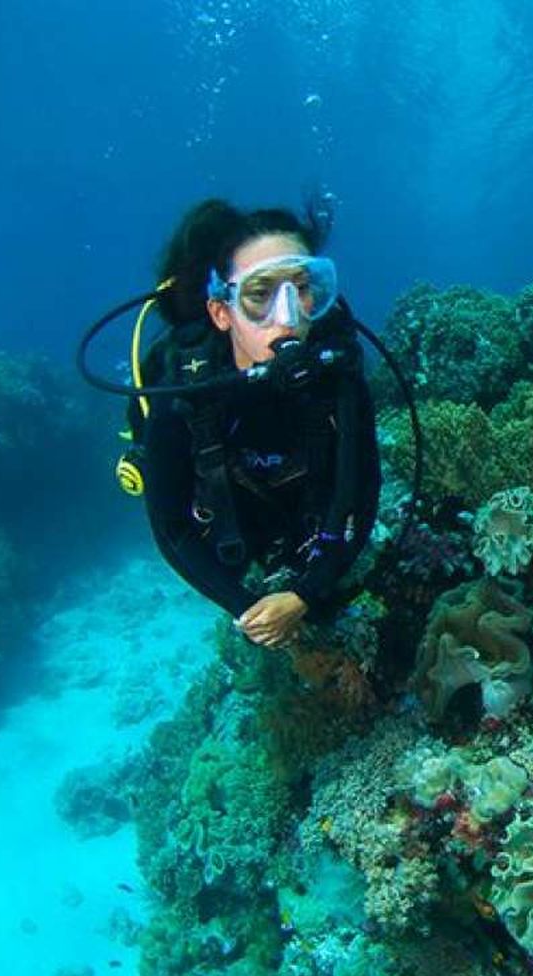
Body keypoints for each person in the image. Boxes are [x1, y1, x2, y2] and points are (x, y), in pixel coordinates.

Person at [136, 199, 382, 648]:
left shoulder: (338, 374)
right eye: (259, 293)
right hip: (229, 523)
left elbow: (362, 492)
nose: (287, 317)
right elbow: (171, 529)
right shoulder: (182, 396)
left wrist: (306, 594)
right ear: (221, 311)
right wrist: (246, 609)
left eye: (302, 288)